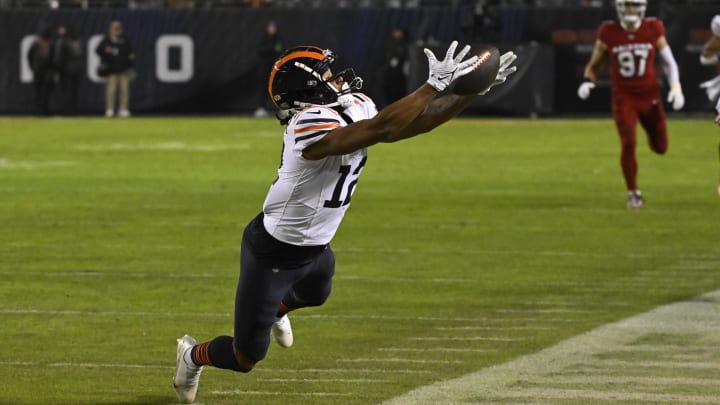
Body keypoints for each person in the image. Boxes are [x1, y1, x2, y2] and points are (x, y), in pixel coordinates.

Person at [172, 42, 518, 404]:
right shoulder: (306, 124)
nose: (337, 78)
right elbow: (384, 129)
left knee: (316, 293)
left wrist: (470, 93)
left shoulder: (353, 105)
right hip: (274, 253)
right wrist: (431, 85)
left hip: (316, 246)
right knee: (246, 358)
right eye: (325, 75)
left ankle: (276, 310)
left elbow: (415, 123)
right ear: (307, 90)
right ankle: (191, 355)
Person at [577, 0, 685, 210]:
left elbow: (669, 61)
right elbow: (595, 63)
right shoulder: (608, 31)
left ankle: (651, 139)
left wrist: (676, 87)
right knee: (628, 143)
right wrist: (588, 81)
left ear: (642, 7)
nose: (630, 9)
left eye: (634, 5)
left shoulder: (653, 27)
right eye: (626, 5)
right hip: (624, 97)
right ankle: (633, 193)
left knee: (661, 147)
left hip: (650, 96)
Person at [95, 20, 134, 118]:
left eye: (118, 28)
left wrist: (130, 65)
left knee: (124, 91)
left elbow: (131, 53)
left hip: (123, 70)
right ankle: (110, 109)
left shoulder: (124, 39)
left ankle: (123, 109)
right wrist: (105, 51)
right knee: (111, 91)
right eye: (114, 29)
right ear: (111, 29)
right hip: (111, 70)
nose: (116, 30)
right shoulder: (106, 40)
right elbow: (98, 50)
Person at [254, 20, 283, 118]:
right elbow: (261, 50)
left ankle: (282, 108)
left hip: (275, 69)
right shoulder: (263, 39)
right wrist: (271, 50)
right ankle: (261, 108)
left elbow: (279, 50)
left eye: (273, 27)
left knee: (278, 88)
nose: (272, 29)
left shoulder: (279, 39)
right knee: (263, 87)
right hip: (264, 69)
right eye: (270, 27)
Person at [52, 24, 83, 116]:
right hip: (75, 70)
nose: (60, 32)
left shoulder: (63, 41)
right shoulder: (77, 41)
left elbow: (58, 58)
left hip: (66, 71)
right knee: (73, 92)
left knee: (67, 92)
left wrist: (57, 69)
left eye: (62, 30)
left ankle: (67, 111)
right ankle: (73, 110)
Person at [27, 27, 55, 116]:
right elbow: (30, 57)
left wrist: (33, 67)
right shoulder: (48, 44)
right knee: (42, 92)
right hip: (44, 71)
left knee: (41, 92)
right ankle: (41, 110)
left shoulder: (36, 44)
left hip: (41, 71)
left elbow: (29, 57)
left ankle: (41, 110)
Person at [382, 28, 409, 105]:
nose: (396, 34)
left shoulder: (404, 47)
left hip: (399, 77)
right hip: (388, 75)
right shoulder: (389, 44)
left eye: (399, 32)